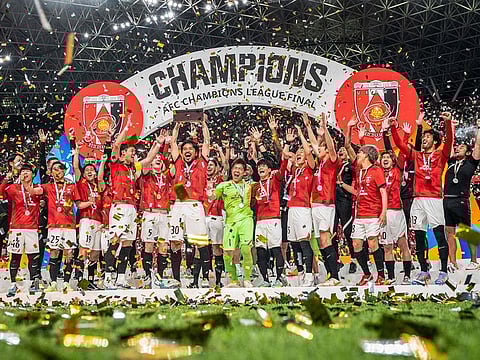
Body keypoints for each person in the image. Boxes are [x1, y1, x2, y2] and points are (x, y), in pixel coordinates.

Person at [392, 112, 453, 285]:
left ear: (434, 141)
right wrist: (393, 128)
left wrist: (447, 123)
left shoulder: (441, 155)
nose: (424, 139)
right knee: (418, 236)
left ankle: (443, 271)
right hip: (417, 200)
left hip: (434, 200)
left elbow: (449, 141)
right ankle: (424, 271)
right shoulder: (417, 156)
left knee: (439, 235)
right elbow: (400, 145)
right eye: (424, 136)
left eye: (428, 137)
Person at [104, 119, 161, 289]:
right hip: (119, 207)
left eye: (134, 151)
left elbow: (149, 159)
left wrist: (158, 144)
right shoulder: (115, 165)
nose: (134, 154)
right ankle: (108, 277)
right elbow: (116, 145)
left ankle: (121, 278)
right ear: (122, 154)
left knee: (128, 243)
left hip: (131, 209)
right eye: (131, 151)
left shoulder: (132, 168)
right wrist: (127, 127)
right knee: (115, 240)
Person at [169, 118, 210, 287]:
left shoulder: (201, 162)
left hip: (195, 205)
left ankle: (204, 278)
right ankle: (176, 279)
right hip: (178, 204)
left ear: (195, 151)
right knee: (175, 241)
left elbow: (207, 141)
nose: (187, 151)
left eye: (190, 149)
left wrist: (203, 125)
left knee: (199, 241)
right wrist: (177, 126)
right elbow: (172, 141)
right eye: (184, 148)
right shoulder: (177, 161)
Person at [24, 161, 78, 292]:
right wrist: (26, 181)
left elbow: (80, 204)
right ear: (51, 172)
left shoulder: (72, 187)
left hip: (69, 226)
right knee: (54, 252)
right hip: (54, 226)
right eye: (54, 169)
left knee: (69, 254)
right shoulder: (47, 186)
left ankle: (66, 283)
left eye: (60, 169)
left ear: (64, 171)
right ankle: (53, 283)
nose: (57, 172)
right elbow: (32, 191)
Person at [305, 114, 342, 285]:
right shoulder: (319, 164)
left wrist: (325, 129)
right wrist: (307, 127)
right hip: (316, 206)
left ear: (326, 150)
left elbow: (332, 147)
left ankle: (335, 277)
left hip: (327, 205)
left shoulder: (332, 161)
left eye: (321, 148)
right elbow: (313, 144)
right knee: (321, 242)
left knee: (326, 239)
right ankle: (330, 275)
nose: (316, 149)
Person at [380, 118, 414, 285]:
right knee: (387, 247)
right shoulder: (377, 172)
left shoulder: (397, 168)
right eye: (383, 157)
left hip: (397, 212)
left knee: (402, 244)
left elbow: (401, 151)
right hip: (382, 214)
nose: (385, 159)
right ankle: (391, 277)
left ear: (392, 160)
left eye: (388, 157)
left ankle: (407, 276)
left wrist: (404, 134)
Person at [138, 130, 173, 288]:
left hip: (164, 214)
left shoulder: (166, 176)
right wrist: (158, 144)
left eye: (159, 159)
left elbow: (168, 159)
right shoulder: (145, 174)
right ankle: (147, 276)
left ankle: (159, 276)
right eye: (155, 159)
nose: (157, 159)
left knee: (163, 246)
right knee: (149, 245)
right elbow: (147, 161)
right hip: (150, 214)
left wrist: (167, 143)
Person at [443, 120, 480, 271]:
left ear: (468, 152)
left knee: (466, 232)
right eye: (458, 147)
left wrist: (479, 128)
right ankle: (453, 262)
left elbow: (478, 145)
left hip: (461, 201)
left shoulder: (471, 163)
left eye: (462, 147)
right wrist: (451, 126)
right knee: (450, 233)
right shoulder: (451, 161)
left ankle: (473, 261)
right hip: (447, 201)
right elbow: (450, 143)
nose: (458, 148)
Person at [213, 158, 255, 287]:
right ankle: (233, 280)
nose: (237, 171)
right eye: (235, 168)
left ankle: (247, 279)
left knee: (246, 248)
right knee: (227, 253)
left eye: (240, 169)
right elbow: (211, 197)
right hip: (230, 222)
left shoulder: (250, 186)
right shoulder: (223, 186)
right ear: (231, 171)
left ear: (244, 172)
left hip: (246, 220)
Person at [1, 164, 42, 297]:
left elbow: (37, 193)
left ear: (32, 174)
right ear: (19, 174)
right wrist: (7, 178)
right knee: (15, 257)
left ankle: (32, 283)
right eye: (23, 171)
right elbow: (1, 191)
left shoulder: (37, 188)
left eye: (28, 172)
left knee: (33, 257)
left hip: (32, 228)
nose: (25, 174)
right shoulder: (14, 188)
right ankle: (13, 284)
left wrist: (27, 185)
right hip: (16, 228)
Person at [285, 116, 315, 287]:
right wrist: (289, 143)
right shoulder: (295, 170)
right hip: (291, 209)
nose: (299, 155)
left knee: (304, 242)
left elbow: (309, 152)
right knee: (294, 244)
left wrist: (301, 133)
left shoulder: (310, 168)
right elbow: (284, 154)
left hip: (304, 209)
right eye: (297, 154)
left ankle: (310, 276)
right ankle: (301, 271)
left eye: (301, 153)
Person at [251, 152, 288, 287]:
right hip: (260, 222)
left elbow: (283, 169)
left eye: (264, 166)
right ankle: (265, 280)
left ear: (269, 170)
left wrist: (284, 156)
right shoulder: (255, 186)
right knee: (261, 250)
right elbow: (251, 205)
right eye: (259, 166)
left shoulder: (275, 181)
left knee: (275, 249)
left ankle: (279, 278)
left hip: (273, 220)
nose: (261, 168)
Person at [73, 159, 103, 290]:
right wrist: (77, 151)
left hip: (98, 221)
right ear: (83, 174)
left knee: (95, 253)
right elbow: (76, 167)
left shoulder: (99, 185)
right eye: (87, 170)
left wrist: (103, 161)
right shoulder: (81, 183)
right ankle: (80, 280)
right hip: (86, 219)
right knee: (84, 250)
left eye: (92, 170)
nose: (90, 172)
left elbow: (102, 172)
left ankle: (90, 281)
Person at [205, 154, 226, 287]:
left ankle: (218, 280)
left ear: (217, 168)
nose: (209, 166)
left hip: (217, 216)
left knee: (217, 248)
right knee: (200, 247)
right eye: (208, 164)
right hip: (202, 216)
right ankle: (203, 277)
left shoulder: (221, 180)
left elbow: (226, 166)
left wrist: (222, 152)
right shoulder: (201, 178)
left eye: (212, 164)